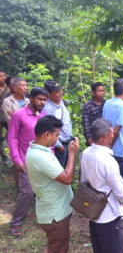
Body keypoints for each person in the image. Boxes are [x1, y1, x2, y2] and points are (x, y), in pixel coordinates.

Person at [25, 115, 79, 253]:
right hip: (55, 214)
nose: (58, 139)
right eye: (56, 135)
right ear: (47, 134)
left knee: (60, 246)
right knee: (58, 249)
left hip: (56, 209)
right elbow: (67, 179)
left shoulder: (40, 149)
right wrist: (71, 154)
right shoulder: (39, 156)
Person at [80, 119, 123, 253]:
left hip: (93, 209)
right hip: (109, 214)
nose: (113, 136)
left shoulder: (86, 153)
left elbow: (83, 180)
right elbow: (120, 191)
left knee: (99, 247)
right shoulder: (107, 160)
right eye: (112, 134)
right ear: (104, 137)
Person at [8, 87, 48, 237]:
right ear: (31, 98)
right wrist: (17, 160)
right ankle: (15, 223)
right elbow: (12, 138)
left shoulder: (43, 115)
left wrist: (50, 155)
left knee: (42, 190)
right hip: (25, 161)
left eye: (44, 100)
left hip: (41, 160)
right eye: (39, 99)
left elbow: (46, 138)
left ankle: (42, 217)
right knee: (27, 192)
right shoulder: (19, 115)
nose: (42, 102)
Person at [102, 78, 123, 220]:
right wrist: (110, 145)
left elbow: (106, 125)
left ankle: (113, 207)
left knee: (112, 179)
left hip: (110, 149)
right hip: (122, 148)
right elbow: (116, 129)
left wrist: (106, 146)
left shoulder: (107, 103)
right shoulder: (122, 106)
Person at [43, 80, 73, 168]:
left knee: (68, 167)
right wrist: (59, 145)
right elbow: (49, 129)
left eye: (60, 91)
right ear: (48, 94)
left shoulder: (62, 103)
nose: (60, 93)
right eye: (57, 92)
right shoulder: (47, 109)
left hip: (68, 141)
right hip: (59, 145)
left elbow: (67, 121)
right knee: (59, 169)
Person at [82, 82, 106, 146]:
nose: (101, 93)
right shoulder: (88, 106)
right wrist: (88, 137)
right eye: (99, 91)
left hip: (105, 135)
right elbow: (86, 123)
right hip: (94, 136)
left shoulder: (106, 103)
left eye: (102, 91)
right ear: (93, 93)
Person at [0, 68, 10, 164]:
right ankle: (4, 157)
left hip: (8, 115)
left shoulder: (10, 87)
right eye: (0, 76)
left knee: (13, 134)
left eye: (4, 75)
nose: (3, 78)